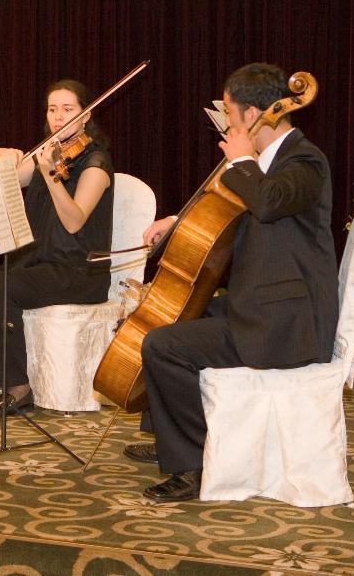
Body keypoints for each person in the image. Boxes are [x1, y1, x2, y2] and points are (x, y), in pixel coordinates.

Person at [126, 63, 339, 503]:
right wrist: (177, 221)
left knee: (162, 346)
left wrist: (241, 159)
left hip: (286, 323)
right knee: (181, 313)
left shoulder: (305, 159)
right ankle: (172, 436)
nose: (225, 122)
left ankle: (192, 465)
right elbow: (232, 219)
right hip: (265, 305)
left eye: (229, 112)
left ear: (256, 114)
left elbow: (267, 203)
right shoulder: (263, 165)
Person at [0, 79, 114, 415]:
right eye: (53, 109)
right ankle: (4, 375)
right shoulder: (46, 153)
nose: (58, 117)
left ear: (86, 115)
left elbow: (74, 221)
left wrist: (51, 175)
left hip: (78, 271)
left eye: (68, 109)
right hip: (39, 264)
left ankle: (17, 386)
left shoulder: (96, 163)